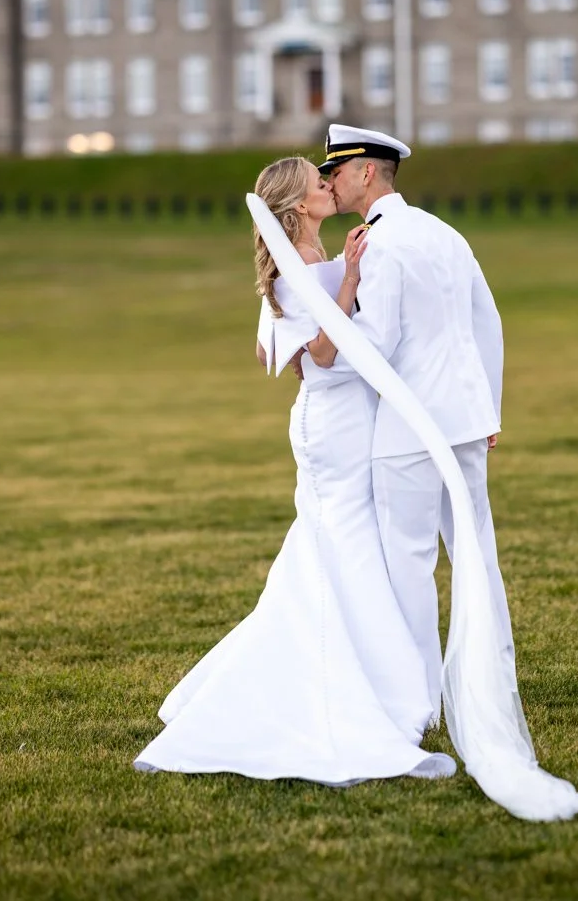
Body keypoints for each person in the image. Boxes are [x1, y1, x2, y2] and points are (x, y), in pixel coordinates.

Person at [133, 156, 455, 785]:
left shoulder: (303, 259)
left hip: (337, 419)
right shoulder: (307, 264)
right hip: (332, 425)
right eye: (317, 180)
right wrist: (349, 283)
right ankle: (366, 692)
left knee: (329, 549)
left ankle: (364, 679)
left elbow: (265, 348)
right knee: (346, 546)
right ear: (300, 205)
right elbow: (326, 354)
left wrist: (328, 294)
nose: (328, 182)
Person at [319, 125, 514, 723]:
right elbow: (489, 322)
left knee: (407, 563)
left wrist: (321, 351)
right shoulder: (444, 232)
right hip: (463, 421)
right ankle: (496, 690)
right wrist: (489, 410)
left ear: (367, 172)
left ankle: (421, 702)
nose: (329, 180)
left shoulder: (378, 243)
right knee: (477, 555)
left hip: (407, 428)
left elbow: (377, 341)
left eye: (337, 170)